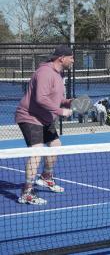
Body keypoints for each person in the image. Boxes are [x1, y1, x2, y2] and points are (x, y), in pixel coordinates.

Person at [15, 45, 74, 205]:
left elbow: (57, 99)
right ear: (62, 58)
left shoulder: (58, 74)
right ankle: (26, 192)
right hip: (29, 116)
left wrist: (69, 103)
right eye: (71, 57)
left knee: (56, 144)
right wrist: (61, 112)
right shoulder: (45, 73)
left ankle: (46, 177)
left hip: (45, 118)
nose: (73, 60)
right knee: (37, 151)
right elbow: (41, 99)